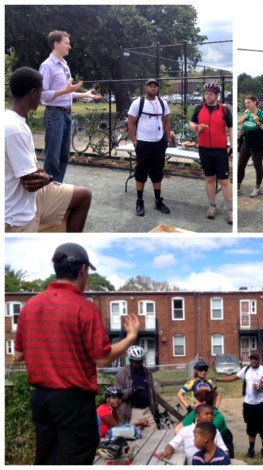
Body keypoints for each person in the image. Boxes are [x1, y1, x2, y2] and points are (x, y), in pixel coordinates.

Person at [14, 243, 141, 465]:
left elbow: (18, 355)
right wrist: (130, 338)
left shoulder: (30, 307)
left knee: (46, 458)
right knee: (75, 460)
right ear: (83, 270)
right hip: (73, 400)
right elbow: (101, 358)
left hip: (41, 399)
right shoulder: (84, 308)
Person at [5, 67, 91, 233]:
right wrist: (49, 177)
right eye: (41, 91)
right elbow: (31, 183)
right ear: (33, 92)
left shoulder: (13, 120)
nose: (42, 96)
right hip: (17, 212)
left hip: (29, 193)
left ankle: (71, 244)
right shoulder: (14, 128)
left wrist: (45, 176)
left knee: (83, 196)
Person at [40, 30, 101, 182]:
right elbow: (43, 94)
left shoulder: (64, 65)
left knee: (63, 155)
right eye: (66, 43)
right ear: (56, 44)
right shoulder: (47, 66)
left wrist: (86, 95)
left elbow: (67, 94)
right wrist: (67, 90)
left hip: (66, 114)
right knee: (53, 156)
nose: (69, 46)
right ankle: (48, 192)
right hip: (54, 114)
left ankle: (56, 187)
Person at [190, 82, 233, 225]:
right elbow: (192, 122)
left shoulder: (224, 110)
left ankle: (230, 210)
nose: (207, 96)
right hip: (204, 149)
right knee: (209, 179)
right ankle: (212, 206)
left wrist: (232, 148)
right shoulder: (199, 108)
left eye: (210, 94)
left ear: (216, 95)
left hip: (220, 149)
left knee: (224, 181)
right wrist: (196, 127)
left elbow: (231, 129)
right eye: (206, 93)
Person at [127, 79, 172, 217]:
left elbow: (166, 122)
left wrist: (167, 138)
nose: (153, 88)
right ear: (146, 88)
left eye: (155, 86)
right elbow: (131, 123)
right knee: (141, 171)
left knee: (157, 171)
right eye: (150, 86)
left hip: (158, 142)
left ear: (158, 89)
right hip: (143, 143)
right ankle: (139, 201)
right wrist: (135, 141)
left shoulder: (162, 103)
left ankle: (158, 201)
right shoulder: (138, 103)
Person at [218, 352, 263, 458]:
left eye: (255, 359)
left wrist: (262, 387)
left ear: (259, 360)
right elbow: (234, 377)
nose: (253, 361)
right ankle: (251, 450)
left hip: (262, 404)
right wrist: (219, 379)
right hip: (249, 405)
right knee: (250, 428)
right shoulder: (246, 370)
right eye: (251, 359)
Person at [155, 404, 228, 463]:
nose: (210, 416)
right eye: (206, 414)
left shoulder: (214, 431)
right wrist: (167, 452)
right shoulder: (186, 430)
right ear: (197, 417)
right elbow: (173, 444)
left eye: (212, 414)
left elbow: (224, 450)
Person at [116, 345, 160, 428]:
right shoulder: (122, 374)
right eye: (136, 362)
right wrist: (133, 391)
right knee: (136, 437)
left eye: (140, 361)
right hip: (132, 411)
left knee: (154, 435)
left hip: (147, 410)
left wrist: (156, 410)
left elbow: (152, 393)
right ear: (131, 360)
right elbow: (119, 393)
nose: (139, 364)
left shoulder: (147, 372)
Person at [237, 95, 263, 198]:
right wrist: (242, 119)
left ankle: (257, 188)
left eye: (248, 102)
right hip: (246, 140)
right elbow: (239, 124)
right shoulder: (246, 112)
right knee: (240, 164)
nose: (246, 104)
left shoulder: (262, 114)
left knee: (257, 165)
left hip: (258, 142)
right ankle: (237, 188)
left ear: (254, 102)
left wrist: (258, 123)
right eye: (245, 103)